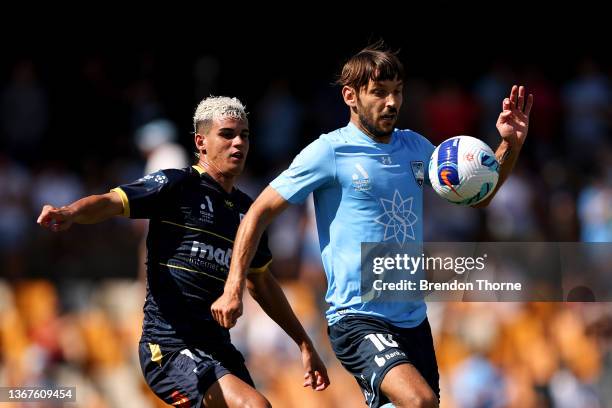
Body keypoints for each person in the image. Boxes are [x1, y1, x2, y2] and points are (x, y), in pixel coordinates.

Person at [211, 42, 533, 408]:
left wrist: (509, 147)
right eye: (379, 93)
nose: (392, 103)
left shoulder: (416, 148)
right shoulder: (329, 152)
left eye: (397, 92)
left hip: (413, 321)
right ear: (350, 96)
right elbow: (257, 212)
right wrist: (234, 284)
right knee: (419, 400)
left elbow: (479, 195)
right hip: (357, 319)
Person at [37, 96, 329, 408]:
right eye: (227, 134)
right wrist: (70, 211)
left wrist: (303, 342)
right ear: (201, 142)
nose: (238, 143)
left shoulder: (248, 211)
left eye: (244, 135)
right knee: (253, 406)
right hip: (169, 347)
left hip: (219, 350)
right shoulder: (177, 185)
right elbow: (113, 201)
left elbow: (261, 282)